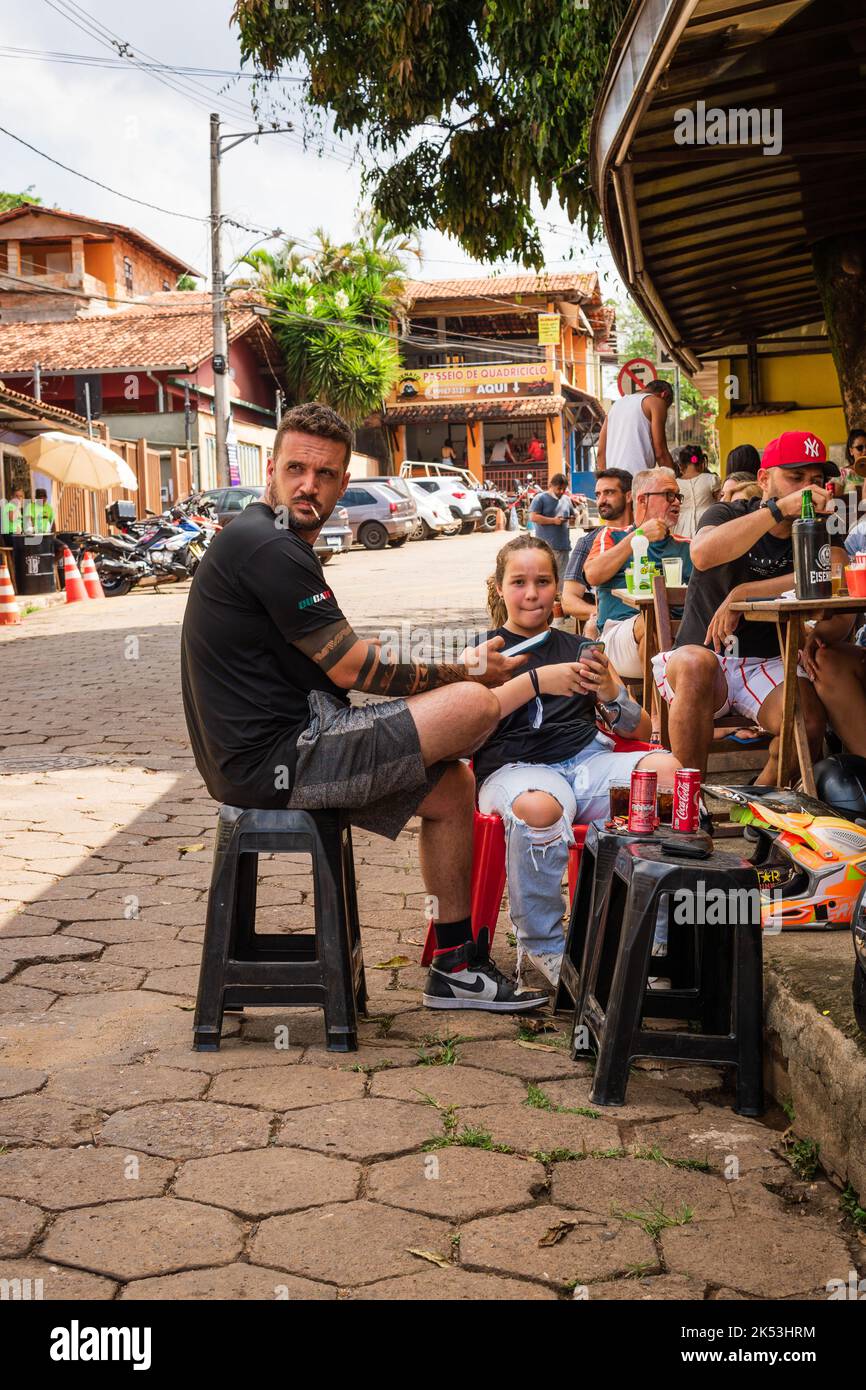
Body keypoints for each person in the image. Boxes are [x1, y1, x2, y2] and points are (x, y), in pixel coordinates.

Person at [181, 401, 548, 1014]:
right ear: (270, 470)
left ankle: (456, 968)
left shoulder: (274, 542)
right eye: (296, 468)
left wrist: (454, 662)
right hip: (280, 758)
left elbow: (348, 649)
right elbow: (354, 668)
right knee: (475, 707)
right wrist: (464, 674)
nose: (309, 485)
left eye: (325, 476)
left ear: (343, 485)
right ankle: (526, 740)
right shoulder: (267, 546)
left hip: (283, 746)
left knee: (452, 790)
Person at [474, 534, 676, 986]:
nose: (531, 593)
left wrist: (611, 691)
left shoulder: (581, 650)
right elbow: (467, 728)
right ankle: (544, 943)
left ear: (556, 590)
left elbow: (637, 731)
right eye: (519, 582)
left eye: (543, 582)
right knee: (541, 808)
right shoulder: (483, 653)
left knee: (666, 773)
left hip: (586, 762)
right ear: (499, 587)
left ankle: (654, 936)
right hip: (515, 770)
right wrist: (536, 681)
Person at [652, 430, 849, 783]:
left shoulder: (817, 527)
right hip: (704, 658)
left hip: (769, 662)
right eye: (795, 477)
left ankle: (757, 806)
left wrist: (747, 592)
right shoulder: (727, 512)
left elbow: (835, 573)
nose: (807, 488)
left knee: (808, 721)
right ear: (763, 478)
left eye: (815, 479)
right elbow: (702, 553)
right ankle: (688, 808)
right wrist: (778, 509)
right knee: (696, 663)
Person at [583, 468, 692, 680]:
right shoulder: (611, 536)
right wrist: (639, 536)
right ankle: (656, 713)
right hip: (618, 637)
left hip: (676, 637)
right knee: (650, 620)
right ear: (642, 500)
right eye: (669, 495)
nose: (677, 502)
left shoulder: (688, 547)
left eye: (678, 496)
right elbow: (593, 575)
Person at [561, 468, 634, 633]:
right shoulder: (588, 542)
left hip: (645, 617)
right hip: (608, 628)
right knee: (592, 627)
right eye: (598, 494)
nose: (601, 500)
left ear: (629, 496)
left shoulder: (647, 536)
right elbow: (568, 600)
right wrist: (598, 612)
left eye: (608, 493)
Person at [596, 379, 675, 478]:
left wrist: (606, 481)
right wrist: (673, 480)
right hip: (638, 481)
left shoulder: (616, 405)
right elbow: (661, 452)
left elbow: (600, 453)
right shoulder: (656, 401)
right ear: (664, 394)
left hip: (614, 483)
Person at [528, 472, 574, 586]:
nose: (561, 492)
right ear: (551, 485)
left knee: (562, 581)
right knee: (546, 579)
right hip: (546, 548)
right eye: (559, 488)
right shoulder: (540, 498)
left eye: (564, 489)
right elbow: (533, 517)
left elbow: (573, 515)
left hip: (563, 546)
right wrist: (553, 521)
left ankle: (560, 603)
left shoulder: (567, 499)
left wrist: (574, 517)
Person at [673, 444, 720, 538]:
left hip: (681, 528)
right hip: (708, 523)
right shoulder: (711, 479)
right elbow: (720, 502)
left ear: (680, 466)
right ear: (702, 463)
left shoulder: (675, 484)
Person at [842, 427, 866, 496]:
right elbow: (834, 501)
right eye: (859, 448)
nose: (865, 450)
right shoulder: (843, 474)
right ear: (851, 451)